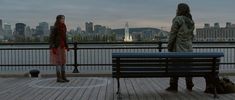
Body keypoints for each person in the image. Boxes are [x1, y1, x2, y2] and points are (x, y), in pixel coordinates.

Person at [166, 3, 195, 91]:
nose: (176, 10)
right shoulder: (191, 21)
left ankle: (173, 85)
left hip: (178, 49)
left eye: (177, 9)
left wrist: (169, 47)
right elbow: (191, 36)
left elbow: (172, 34)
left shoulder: (178, 19)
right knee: (188, 66)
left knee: (174, 66)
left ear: (179, 10)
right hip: (189, 50)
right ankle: (189, 83)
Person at [49, 15, 70, 83]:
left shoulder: (64, 27)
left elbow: (64, 38)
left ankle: (64, 77)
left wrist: (67, 46)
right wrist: (53, 47)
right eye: (62, 19)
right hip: (57, 47)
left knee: (63, 62)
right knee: (58, 62)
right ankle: (59, 78)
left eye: (64, 18)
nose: (63, 20)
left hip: (62, 47)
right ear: (58, 19)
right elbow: (51, 38)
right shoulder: (55, 27)